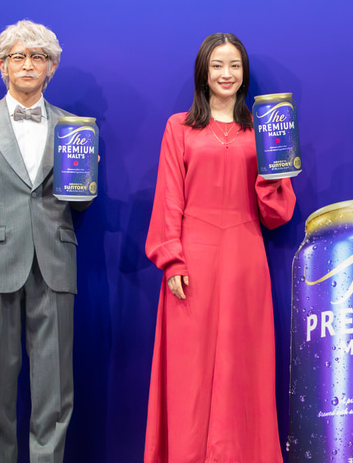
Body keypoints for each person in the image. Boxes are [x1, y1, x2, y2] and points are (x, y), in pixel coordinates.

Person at [144, 32, 296, 463]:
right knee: (189, 372)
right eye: (217, 65)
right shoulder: (179, 127)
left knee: (242, 368)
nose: (226, 73)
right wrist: (172, 260)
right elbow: (169, 197)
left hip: (246, 259)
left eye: (234, 65)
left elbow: (277, 214)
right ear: (203, 73)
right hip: (192, 261)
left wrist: (271, 177)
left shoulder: (265, 129)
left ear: (244, 73)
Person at [0, 20, 89, 463]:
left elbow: (81, 203)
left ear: (52, 68)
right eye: (19, 56)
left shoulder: (74, 128)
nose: (28, 64)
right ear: (3, 66)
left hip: (55, 263)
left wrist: (85, 178)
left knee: (55, 388)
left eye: (38, 57)